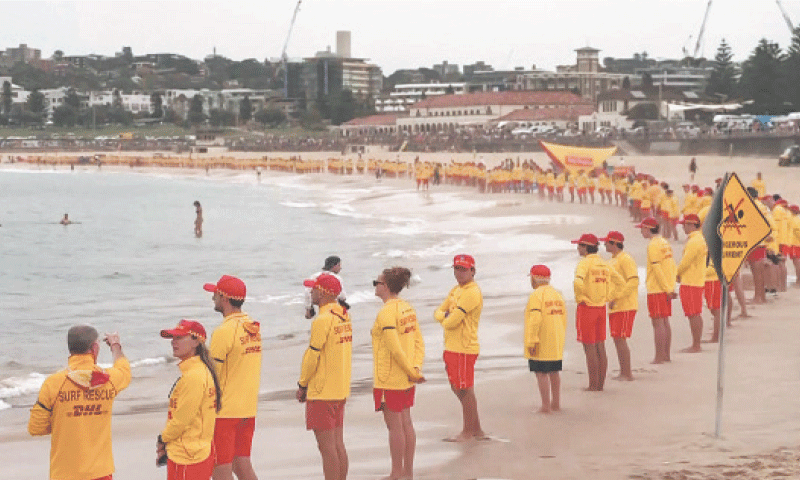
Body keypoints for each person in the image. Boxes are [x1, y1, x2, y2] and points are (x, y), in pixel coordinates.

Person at [28, 325, 131, 480]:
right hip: (100, 471)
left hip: (64, 473)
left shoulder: (53, 383)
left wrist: (65, 420)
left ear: (70, 348)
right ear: (95, 348)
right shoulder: (108, 380)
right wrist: (115, 345)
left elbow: (35, 428)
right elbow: (124, 370)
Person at [204, 276, 262, 480]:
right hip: (247, 408)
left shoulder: (223, 331)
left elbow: (213, 375)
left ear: (224, 297)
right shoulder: (252, 327)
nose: (212, 298)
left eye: (215, 294)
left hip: (225, 412)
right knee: (242, 463)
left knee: (220, 469)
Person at [372, 267, 426, 480]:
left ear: (386, 286)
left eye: (377, 282)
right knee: (406, 423)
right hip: (406, 376)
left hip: (390, 377)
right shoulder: (407, 308)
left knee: (395, 427)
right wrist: (414, 369)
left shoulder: (387, 311)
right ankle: (407, 472)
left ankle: (396, 473)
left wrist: (410, 372)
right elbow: (418, 342)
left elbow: (394, 347)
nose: (375, 286)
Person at [296, 274, 352, 480]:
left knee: (327, 448)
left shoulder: (323, 319)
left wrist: (302, 384)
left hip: (322, 390)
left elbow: (313, 355)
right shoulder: (343, 315)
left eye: (314, 289)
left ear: (325, 293)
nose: (311, 292)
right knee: (337, 444)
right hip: (340, 387)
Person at [158, 320, 221, 480]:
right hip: (195, 450)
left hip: (188, 455)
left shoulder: (194, 376)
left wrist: (162, 439)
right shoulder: (199, 370)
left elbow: (181, 420)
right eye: (173, 338)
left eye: (179, 338)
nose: (173, 342)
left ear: (196, 341)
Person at [434, 254, 486, 441]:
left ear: (473, 270)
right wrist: (445, 316)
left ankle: (468, 431)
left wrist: (446, 317)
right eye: (457, 268)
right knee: (458, 388)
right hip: (451, 346)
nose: (459, 273)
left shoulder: (472, 292)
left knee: (464, 389)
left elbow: (451, 321)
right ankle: (476, 428)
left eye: (464, 269)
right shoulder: (455, 290)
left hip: (464, 347)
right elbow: (438, 312)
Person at [572, 233, 624, 391]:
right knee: (600, 346)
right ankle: (600, 384)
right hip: (601, 308)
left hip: (588, 308)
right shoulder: (604, 263)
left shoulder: (584, 264)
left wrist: (581, 297)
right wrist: (610, 296)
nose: (577, 248)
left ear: (585, 247)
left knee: (589, 348)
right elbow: (620, 282)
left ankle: (593, 385)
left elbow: (578, 281)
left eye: (579, 245)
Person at [524, 264, 567, 412]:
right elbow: (564, 317)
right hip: (556, 338)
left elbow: (535, 319)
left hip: (541, 340)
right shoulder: (557, 294)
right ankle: (556, 403)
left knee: (541, 373)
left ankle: (545, 406)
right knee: (554, 372)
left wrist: (532, 340)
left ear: (535, 279)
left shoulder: (536, 295)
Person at [637, 217, 677, 364]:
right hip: (666, 286)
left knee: (657, 323)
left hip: (657, 288)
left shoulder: (653, 245)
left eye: (642, 229)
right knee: (665, 321)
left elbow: (657, 268)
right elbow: (671, 265)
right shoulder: (665, 242)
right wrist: (671, 287)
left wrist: (666, 289)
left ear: (648, 229)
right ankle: (666, 355)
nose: (641, 232)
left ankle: (659, 356)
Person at [601, 231, 639, 381]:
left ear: (615, 243)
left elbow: (633, 281)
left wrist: (617, 297)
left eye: (607, 243)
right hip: (616, 306)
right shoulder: (613, 260)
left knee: (620, 338)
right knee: (617, 338)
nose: (604, 245)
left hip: (625, 305)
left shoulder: (625, 259)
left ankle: (627, 373)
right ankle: (624, 371)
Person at [675, 214, 707, 353]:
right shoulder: (699, 239)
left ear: (691, 225)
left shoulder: (694, 241)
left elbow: (686, 261)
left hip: (691, 281)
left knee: (693, 314)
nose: (683, 227)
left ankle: (696, 344)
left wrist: (677, 273)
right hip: (696, 279)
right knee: (695, 313)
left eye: (685, 225)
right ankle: (696, 343)